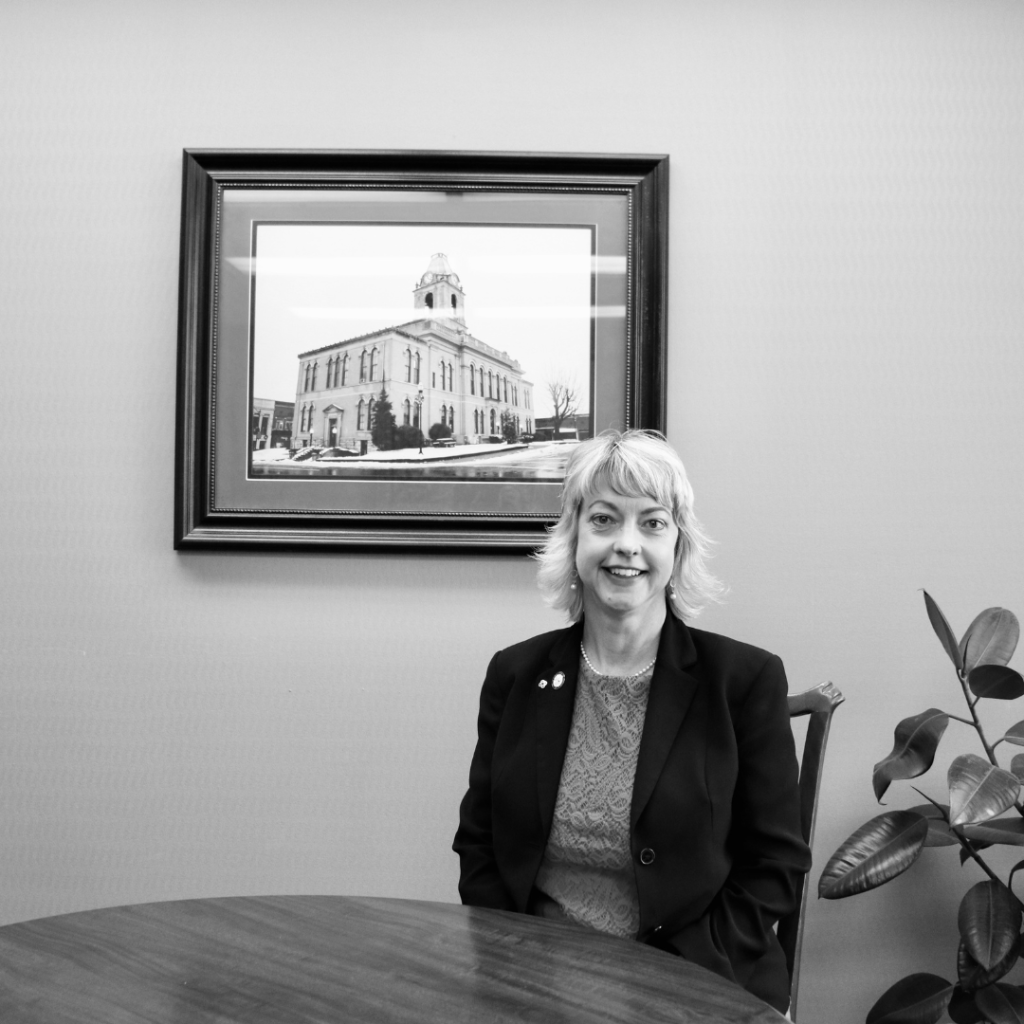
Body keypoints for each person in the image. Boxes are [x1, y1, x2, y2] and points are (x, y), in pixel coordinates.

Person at [452, 429, 810, 1014]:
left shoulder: (743, 680)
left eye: (652, 522)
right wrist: (516, 962)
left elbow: (776, 867)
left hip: (697, 985)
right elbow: (481, 845)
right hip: (536, 985)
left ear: (678, 546)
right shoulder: (515, 674)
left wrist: (662, 982)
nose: (626, 544)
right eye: (604, 519)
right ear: (573, 538)